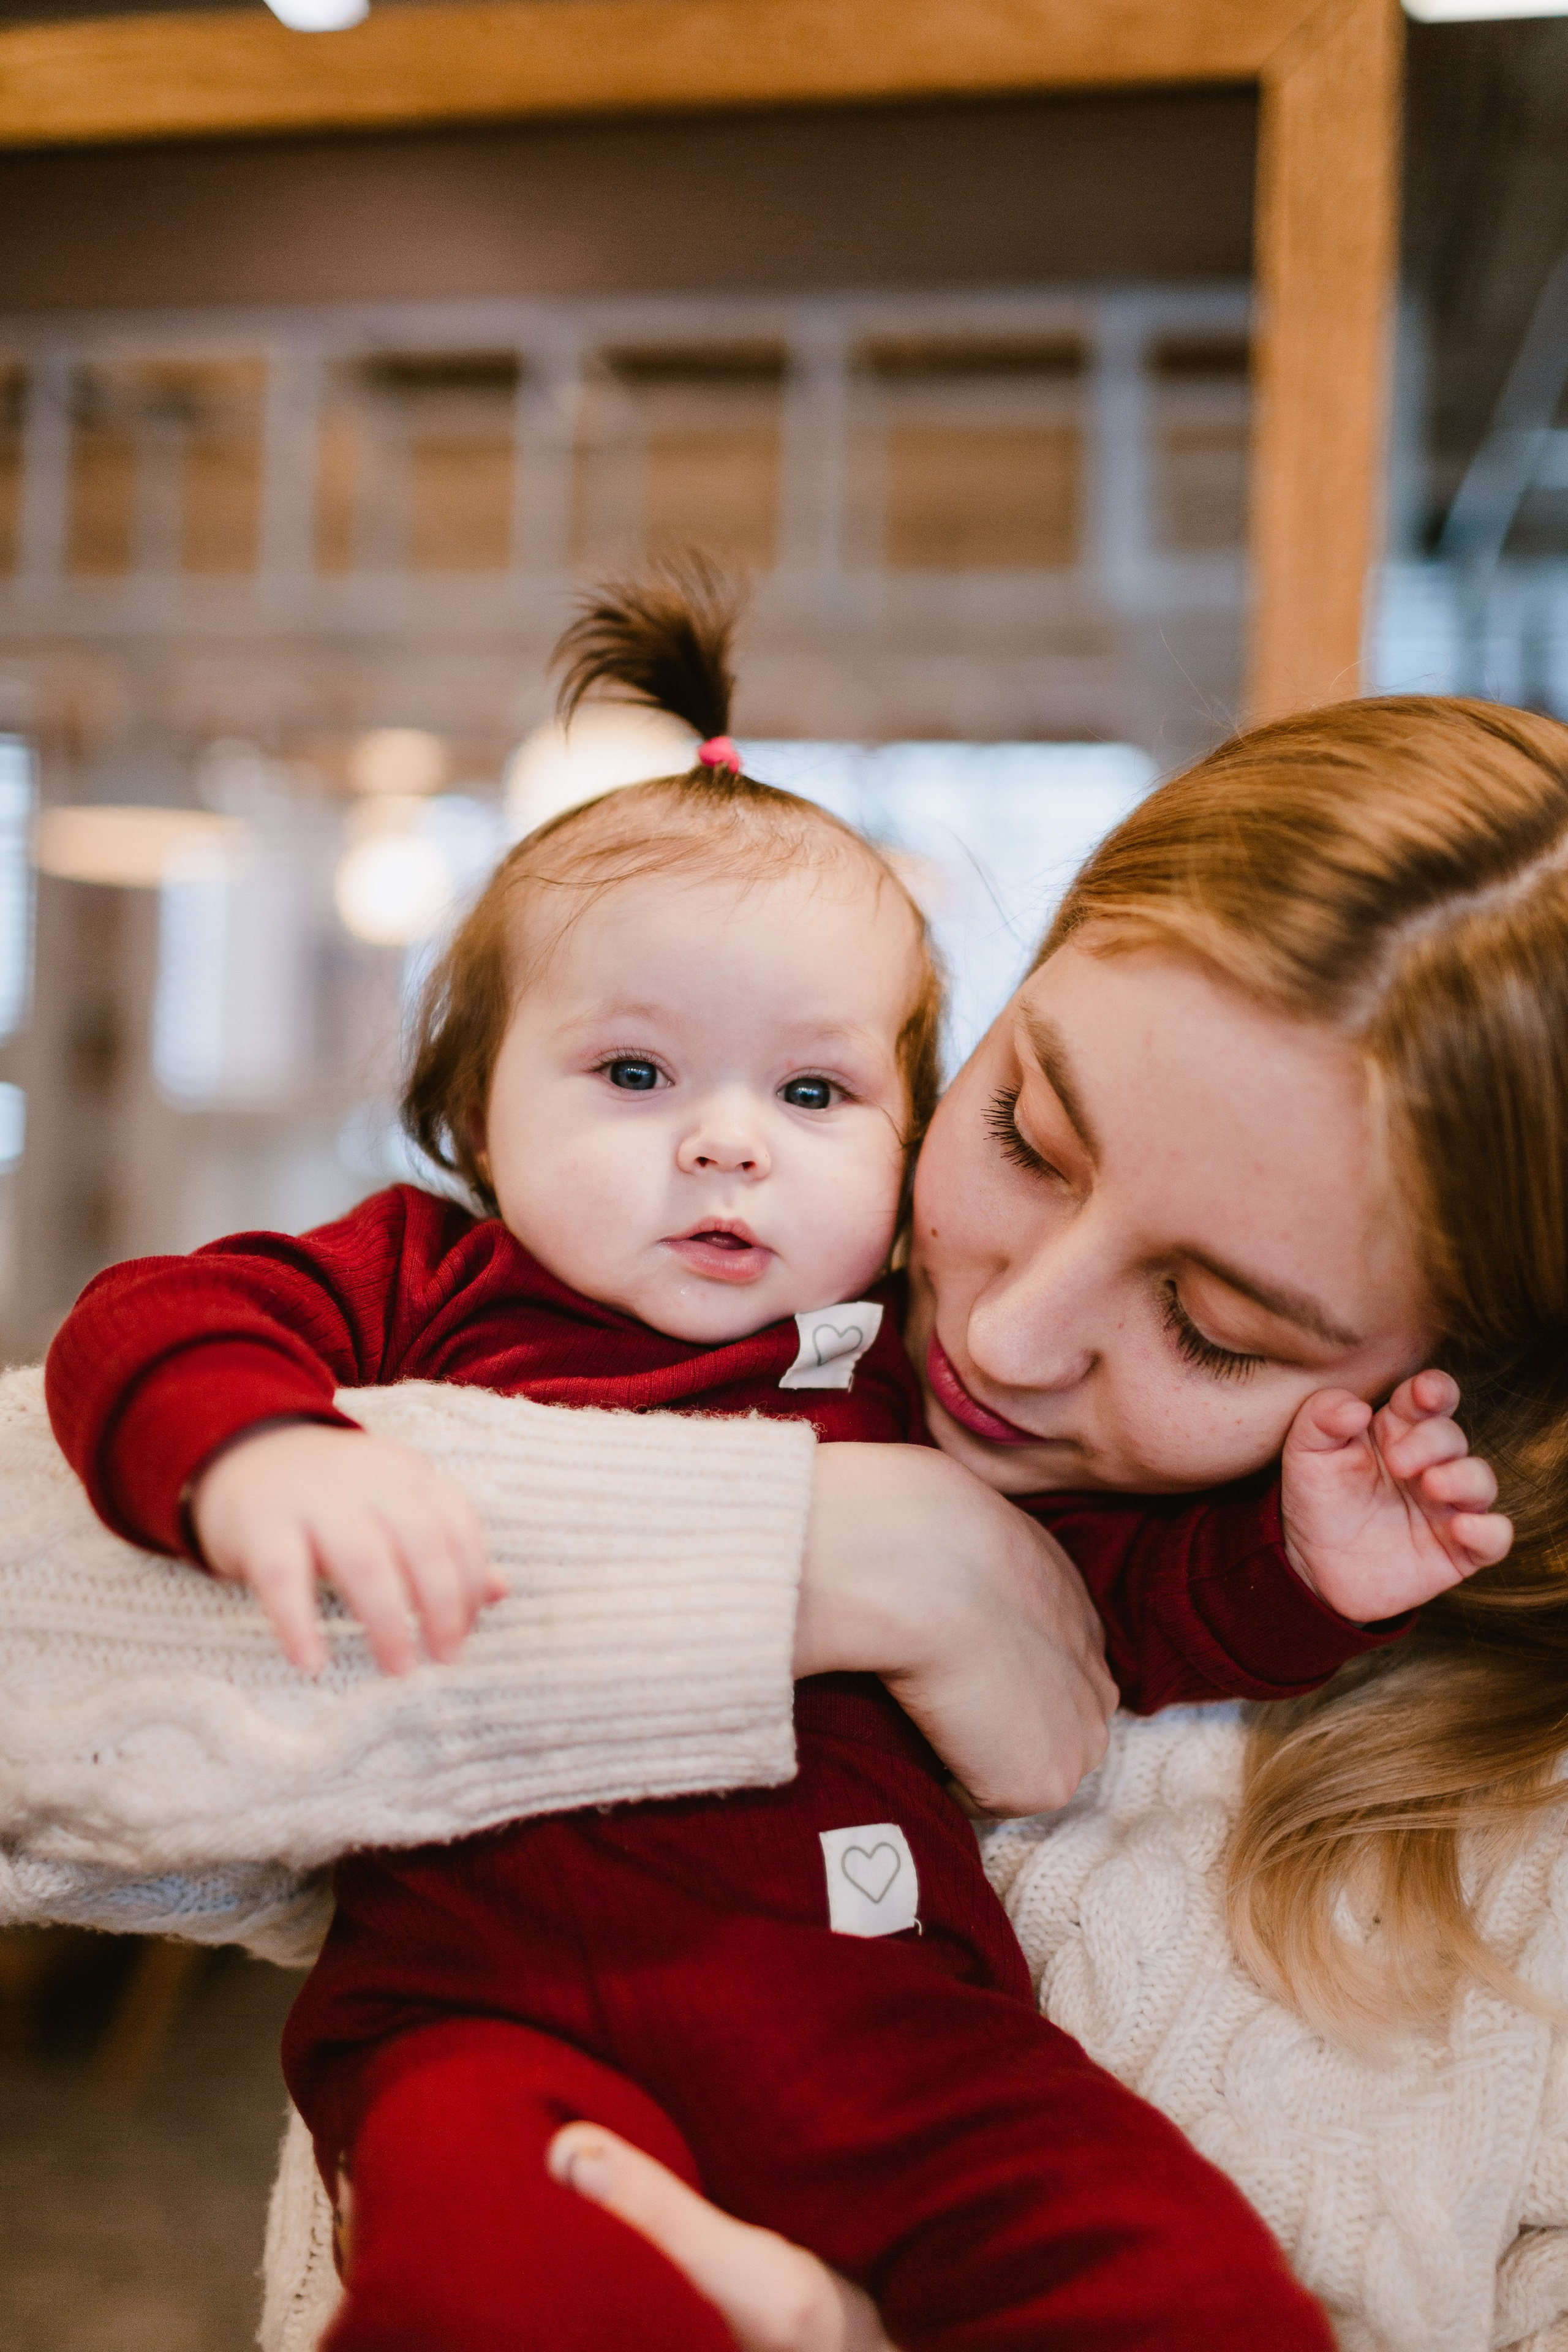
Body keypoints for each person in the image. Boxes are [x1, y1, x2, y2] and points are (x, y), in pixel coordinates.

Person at [43, 575, 1512, 2351]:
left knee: (1170, 2282)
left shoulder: (878, 1361)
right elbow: (154, 1327)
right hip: (476, 2017)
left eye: (814, 1096)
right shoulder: (423, 1284)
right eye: (635, 1073)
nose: (728, 1144)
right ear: (477, 1100)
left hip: (872, 2021)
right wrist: (255, 1453)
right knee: (486, 2282)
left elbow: (1116, 1617)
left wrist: (1299, 1576)